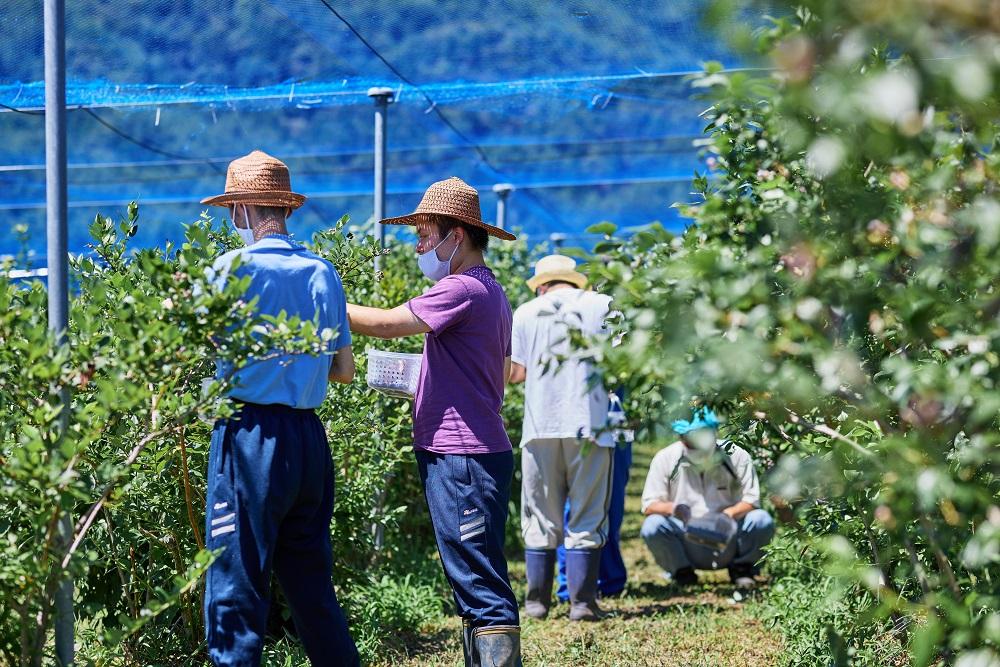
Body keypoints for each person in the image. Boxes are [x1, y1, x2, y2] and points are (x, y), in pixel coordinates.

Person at [345, 177, 521, 667]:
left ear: (456, 236)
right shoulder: (490, 290)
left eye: (425, 234)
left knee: (478, 580)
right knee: (472, 571)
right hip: (469, 448)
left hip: (463, 455)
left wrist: (319, 297)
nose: (419, 245)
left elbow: (384, 322)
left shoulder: (461, 287)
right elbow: (482, 368)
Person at [199, 150, 359, 666]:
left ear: (242, 209)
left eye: (232, 210)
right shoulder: (321, 271)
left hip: (248, 435)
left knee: (236, 579)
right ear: (284, 209)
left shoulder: (228, 269)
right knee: (311, 583)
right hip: (308, 440)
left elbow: (197, 348)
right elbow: (344, 371)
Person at [508, 254, 616, 622]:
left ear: (541, 284)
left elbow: (516, 373)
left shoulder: (524, 312)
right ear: (574, 280)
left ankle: (537, 603)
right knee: (587, 512)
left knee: (539, 514)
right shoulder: (603, 304)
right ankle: (583, 604)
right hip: (591, 423)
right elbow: (624, 361)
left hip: (540, 426)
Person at [639, 407, 775, 588]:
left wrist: (728, 514)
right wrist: (676, 509)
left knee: (761, 520)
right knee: (653, 525)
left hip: (729, 537)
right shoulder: (665, 458)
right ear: (681, 437)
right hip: (686, 537)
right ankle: (682, 573)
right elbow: (649, 505)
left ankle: (743, 568)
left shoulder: (736, 455)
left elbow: (752, 500)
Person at [555, 392, 632, 604]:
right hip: (576, 423)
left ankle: (609, 580)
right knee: (574, 509)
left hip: (616, 422)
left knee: (611, 507)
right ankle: (570, 585)